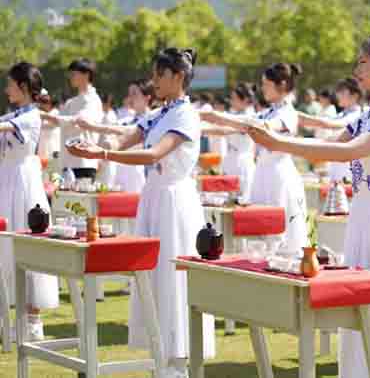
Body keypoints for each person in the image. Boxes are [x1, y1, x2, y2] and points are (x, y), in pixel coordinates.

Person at [247, 32, 370, 378]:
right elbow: (330, 142)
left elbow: (350, 151)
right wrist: (276, 139)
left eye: (362, 62)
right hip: (365, 216)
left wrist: (279, 143)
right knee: (362, 313)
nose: (356, 69)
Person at [67, 48, 215, 378]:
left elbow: (154, 154)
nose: (154, 81)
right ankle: (160, 355)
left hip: (175, 200)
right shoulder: (162, 112)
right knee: (152, 277)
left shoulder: (185, 114)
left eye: (159, 75)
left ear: (178, 77)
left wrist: (103, 151)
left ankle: (177, 361)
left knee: (172, 277)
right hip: (154, 197)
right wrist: (95, 150)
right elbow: (129, 136)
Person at [198, 63, 309, 254]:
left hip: (279, 176)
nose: (263, 88)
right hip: (263, 173)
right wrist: (199, 127)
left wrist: (217, 116)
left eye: (266, 84)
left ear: (281, 85)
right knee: (262, 229)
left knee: (280, 232)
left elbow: (261, 125)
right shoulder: (269, 110)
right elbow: (234, 128)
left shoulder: (287, 113)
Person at [0, 62, 59, 341]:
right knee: (5, 245)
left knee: (26, 240)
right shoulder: (15, 114)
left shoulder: (31, 116)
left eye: (10, 84)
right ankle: (7, 317)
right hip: (7, 179)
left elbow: (5, 128)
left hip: (24, 182)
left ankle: (33, 319)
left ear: (23, 87)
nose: (6, 89)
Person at [76, 79, 155, 192]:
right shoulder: (125, 120)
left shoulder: (152, 119)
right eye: (129, 94)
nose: (130, 98)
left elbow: (124, 132)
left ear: (148, 97)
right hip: (120, 171)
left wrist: (92, 126)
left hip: (139, 173)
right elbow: (111, 133)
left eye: (134, 93)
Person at [41, 58, 103, 180]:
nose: (71, 77)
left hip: (84, 163)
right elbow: (56, 121)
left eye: (74, 74)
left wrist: (45, 116)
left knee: (80, 199)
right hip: (67, 163)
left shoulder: (93, 100)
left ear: (86, 75)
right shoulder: (71, 102)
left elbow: (78, 122)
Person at [298, 77, 363, 182]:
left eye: (342, 92)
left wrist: (300, 117)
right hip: (336, 167)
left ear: (355, 95)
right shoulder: (342, 114)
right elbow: (323, 123)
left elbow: (329, 124)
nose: (338, 95)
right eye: (338, 92)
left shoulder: (358, 115)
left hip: (348, 172)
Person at [200, 83, 257, 200]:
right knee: (226, 196)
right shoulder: (235, 114)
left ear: (245, 100)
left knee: (241, 197)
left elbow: (226, 130)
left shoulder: (249, 116)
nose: (231, 101)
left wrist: (201, 129)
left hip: (242, 161)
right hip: (231, 158)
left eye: (234, 98)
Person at [36, 92, 61, 160]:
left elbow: (56, 121)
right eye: (41, 101)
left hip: (54, 148)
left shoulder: (56, 112)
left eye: (44, 102)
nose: (41, 104)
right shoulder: (39, 113)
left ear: (50, 103)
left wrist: (43, 115)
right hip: (43, 149)